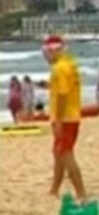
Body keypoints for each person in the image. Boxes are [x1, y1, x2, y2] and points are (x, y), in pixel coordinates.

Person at [38, 35, 87, 202]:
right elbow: (65, 87)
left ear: (53, 52)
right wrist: (49, 85)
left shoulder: (59, 69)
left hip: (65, 118)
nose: (46, 58)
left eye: (46, 54)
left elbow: (63, 96)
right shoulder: (70, 64)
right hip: (72, 116)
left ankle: (81, 193)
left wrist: (58, 120)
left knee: (65, 154)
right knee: (59, 153)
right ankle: (54, 190)